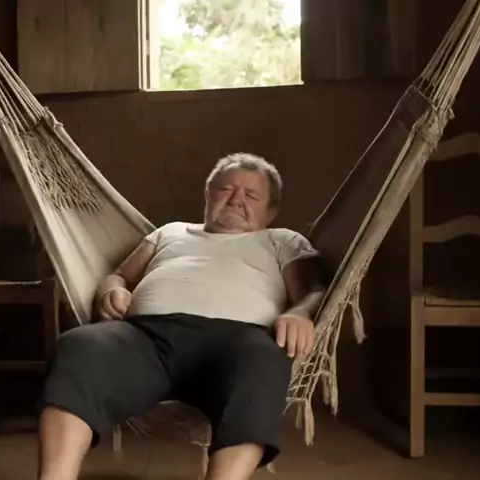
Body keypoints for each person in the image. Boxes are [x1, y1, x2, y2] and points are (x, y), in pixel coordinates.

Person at [37, 153, 326, 480]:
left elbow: (314, 291)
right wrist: (111, 290)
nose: (236, 200)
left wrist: (300, 312)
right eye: (226, 189)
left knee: (265, 359)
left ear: (270, 211)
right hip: (145, 339)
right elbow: (118, 275)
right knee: (79, 346)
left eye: (251, 195)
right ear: (208, 194)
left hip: (238, 345)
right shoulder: (171, 232)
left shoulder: (282, 240)